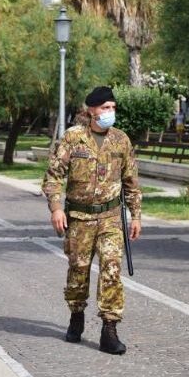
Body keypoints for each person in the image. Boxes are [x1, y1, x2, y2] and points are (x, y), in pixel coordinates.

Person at [42, 86, 142, 355]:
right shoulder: (73, 139)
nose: (110, 112)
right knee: (78, 272)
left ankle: (109, 330)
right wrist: (56, 209)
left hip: (110, 218)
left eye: (113, 107)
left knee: (111, 269)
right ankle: (76, 315)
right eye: (105, 108)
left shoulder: (121, 140)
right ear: (91, 111)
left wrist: (135, 216)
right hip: (79, 219)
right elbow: (53, 176)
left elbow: (131, 181)